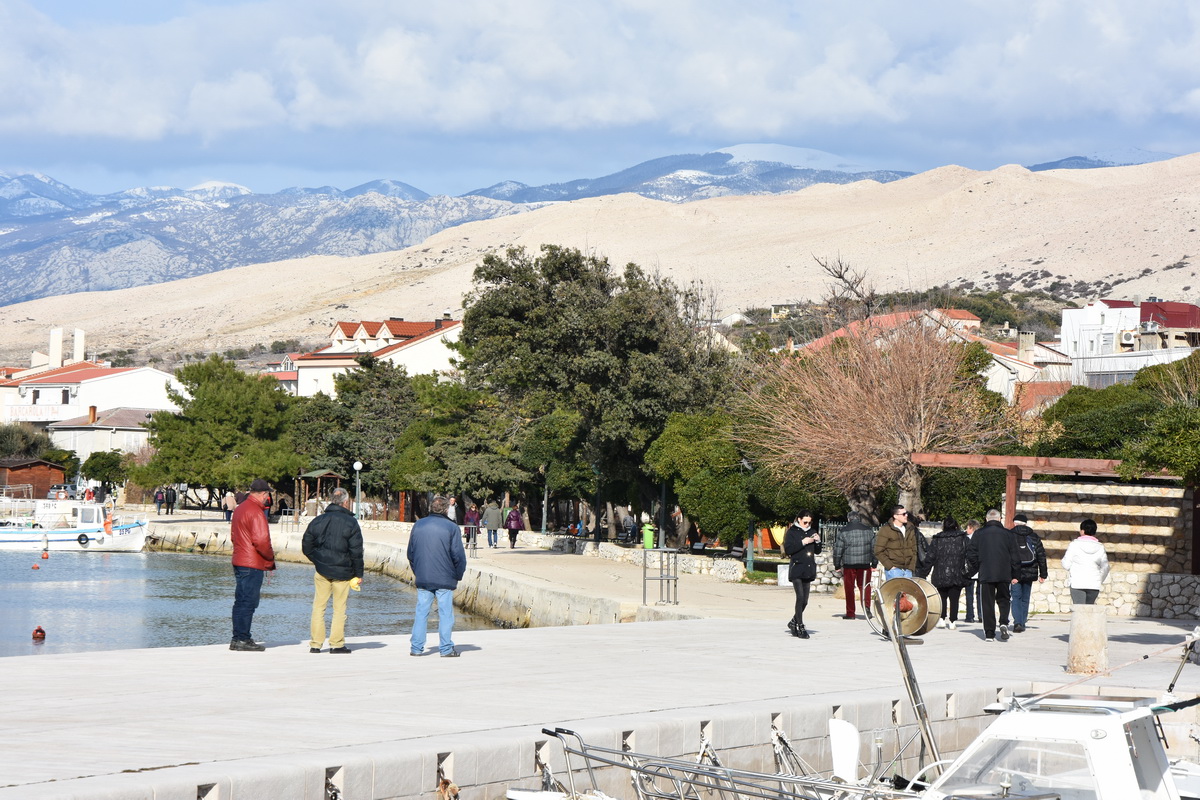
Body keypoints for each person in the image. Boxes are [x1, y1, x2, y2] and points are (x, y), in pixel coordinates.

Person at [302, 487, 364, 654]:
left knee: (318, 607)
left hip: (322, 571)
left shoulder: (318, 520)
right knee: (339, 609)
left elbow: (306, 545)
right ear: (345, 502)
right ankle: (336, 644)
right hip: (343, 573)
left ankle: (315, 644)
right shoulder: (351, 523)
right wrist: (358, 574)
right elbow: (356, 551)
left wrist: (318, 560)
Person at [408, 495, 467, 657]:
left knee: (421, 612)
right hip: (445, 578)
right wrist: (458, 575)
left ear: (430, 507)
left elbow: (410, 553)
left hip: (424, 577)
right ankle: (446, 649)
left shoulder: (418, 525)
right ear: (447, 509)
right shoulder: (451, 527)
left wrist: (418, 571)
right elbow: (458, 556)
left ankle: (416, 648)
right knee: (446, 614)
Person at [229, 479, 275, 651]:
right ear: (263, 494)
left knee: (240, 601)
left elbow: (234, 536)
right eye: (267, 495)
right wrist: (270, 559)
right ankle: (243, 639)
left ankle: (237, 638)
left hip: (239, 560)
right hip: (252, 563)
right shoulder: (256, 512)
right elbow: (262, 540)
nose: (267, 498)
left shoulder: (240, 509)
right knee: (249, 602)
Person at [966, 509, 1020, 642]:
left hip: (986, 573)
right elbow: (1015, 556)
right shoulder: (1008, 534)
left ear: (986, 519)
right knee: (1004, 599)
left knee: (987, 603)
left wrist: (978, 566)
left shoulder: (979, 534)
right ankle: (1003, 622)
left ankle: (990, 633)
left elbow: (971, 553)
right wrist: (1015, 574)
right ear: (1000, 519)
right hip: (1004, 573)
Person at [925, 517, 971, 629]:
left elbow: (930, 557)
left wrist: (924, 572)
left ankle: (941, 619)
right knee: (954, 598)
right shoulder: (963, 538)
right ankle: (953, 621)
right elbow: (970, 555)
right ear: (956, 525)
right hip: (957, 573)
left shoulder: (937, 539)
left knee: (942, 597)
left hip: (940, 573)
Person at [783, 510, 821, 639]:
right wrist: (803, 542)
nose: (807, 524)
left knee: (805, 600)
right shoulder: (792, 532)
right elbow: (788, 550)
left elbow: (817, 551)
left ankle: (793, 621)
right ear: (799, 519)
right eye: (805, 522)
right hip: (797, 568)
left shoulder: (812, 531)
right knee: (800, 597)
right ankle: (800, 625)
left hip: (808, 568)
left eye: (809, 522)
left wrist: (817, 541)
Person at [832, 512, 876, 620]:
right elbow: (875, 548)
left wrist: (837, 564)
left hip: (849, 564)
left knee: (849, 588)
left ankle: (850, 613)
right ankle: (866, 608)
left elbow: (838, 550)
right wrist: (874, 563)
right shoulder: (869, 531)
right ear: (859, 519)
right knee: (865, 587)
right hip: (865, 564)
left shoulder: (843, 531)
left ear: (848, 519)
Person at [1009, 513, 1048, 632]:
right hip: (1030, 571)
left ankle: (1017, 622)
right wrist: (1043, 574)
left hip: (1014, 573)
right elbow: (1041, 555)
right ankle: (1022, 622)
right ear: (1026, 524)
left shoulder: (1009, 535)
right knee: (1025, 598)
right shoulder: (1034, 536)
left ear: (1015, 523)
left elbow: (1005, 555)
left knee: (1016, 597)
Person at [1062, 518, 1110, 605]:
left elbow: (1066, 564)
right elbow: (1106, 567)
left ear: (1082, 531)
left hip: (1077, 583)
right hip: (1094, 584)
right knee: (1089, 611)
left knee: (1079, 611)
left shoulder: (1074, 545)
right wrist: (1099, 579)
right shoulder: (1100, 547)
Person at [874, 505, 918, 580]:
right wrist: (890, 566)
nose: (906, 515)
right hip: (894, 570)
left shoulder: (910, 528)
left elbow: (914, 549)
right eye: (903, 514)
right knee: (895, 592)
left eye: (906, 513)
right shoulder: (886, 530)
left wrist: (911, 566)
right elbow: (878, 550)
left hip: (908, 570)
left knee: (907, 592)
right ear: (895, 516)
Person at [963, 519, 981, 623]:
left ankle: (970, 616)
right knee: (980, 594)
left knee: (969, 594)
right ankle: (981, 615)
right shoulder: (982, 539)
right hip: (979, 569)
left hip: (969, 570)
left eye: (967, 528)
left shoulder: (965, 539)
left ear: (971, 528)